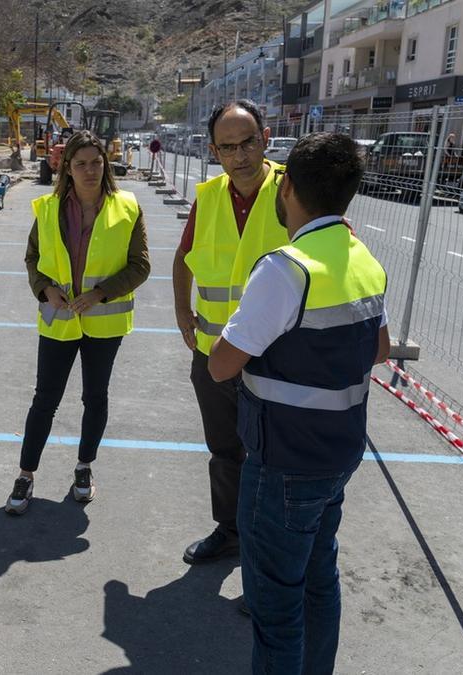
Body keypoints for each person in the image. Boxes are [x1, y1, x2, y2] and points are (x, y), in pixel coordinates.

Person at [206, 132, 389, 673]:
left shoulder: (287, 267)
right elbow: (377, 350)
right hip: (338, 454)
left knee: (275, 607)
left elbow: (222, 363)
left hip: (283, 461)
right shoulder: (363, 258)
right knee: (318, 582)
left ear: (287, 191)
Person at [5, 130, 151, 515]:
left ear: (106, 165)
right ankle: (26, 474)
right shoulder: (48, 208)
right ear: (66, 168)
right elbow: (33, 259)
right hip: (59, 318)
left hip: (104, 324)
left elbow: (140, 266)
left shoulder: (128, 207)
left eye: (96, 162)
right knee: (45, 400)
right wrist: (45, 290)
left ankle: (84, 467)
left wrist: (101, 293)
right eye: (81, 164)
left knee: (95, 398)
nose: (90, 171)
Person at [173, 100, 289, 565]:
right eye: (228, 147)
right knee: (224, 449)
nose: (240, 155)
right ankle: (231, 530)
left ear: (266, 137)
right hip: (215, 352)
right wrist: (182, 309)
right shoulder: (210, 196)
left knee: (276, 459)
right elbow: (184, 257)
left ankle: (269, 555)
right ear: (213, 150)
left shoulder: (292, 189)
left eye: (248, 143)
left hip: (279, 354)